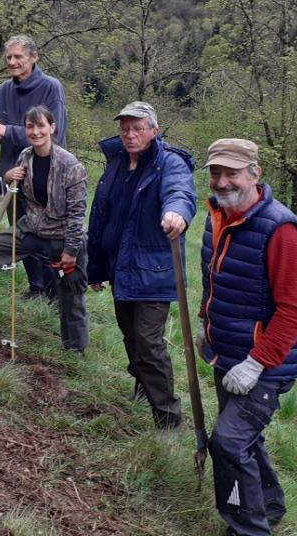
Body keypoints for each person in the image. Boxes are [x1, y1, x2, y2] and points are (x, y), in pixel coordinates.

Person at [199, 138, 297, 536]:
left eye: (232, 173)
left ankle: (248, 529)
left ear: (254, 174)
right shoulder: (218, 217)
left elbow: (295, 310)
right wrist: (205, 325)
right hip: (226, 353)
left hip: (265, 364)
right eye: (216, 172)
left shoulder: (280, 230)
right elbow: (217, 283)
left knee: (228, 443)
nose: (223, 181)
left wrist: (257, 362)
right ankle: (270, 504)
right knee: (243, 440)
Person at [85, 101, 196, 429]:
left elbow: (181, 193)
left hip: (154, 272)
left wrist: (176, 213)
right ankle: (145, 385)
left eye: (137, 128)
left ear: (154, 131)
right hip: (121, 267)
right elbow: (101, 217)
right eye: (124, 129)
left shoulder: (169, 164)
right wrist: (96, 269)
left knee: (148, 341)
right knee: (131, 337)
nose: (130, 135)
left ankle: (168, 419)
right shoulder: (117, 164)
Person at [0, 106, 89, 352]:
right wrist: (9, 175)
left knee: (70, 292)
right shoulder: (25, 155)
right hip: (31, 230)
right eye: (30, 127)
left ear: (52, 128)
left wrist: (71, 251)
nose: (35, 132)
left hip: (62, 237)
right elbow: (16, 186)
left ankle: (75, 349)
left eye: (41, 126)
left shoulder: (71, 165)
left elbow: (77, 214)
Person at [0, 35, 67, 300]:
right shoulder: (3, 90)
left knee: (45, 234)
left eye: (18, 56)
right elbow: (1, 130)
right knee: (20, 231)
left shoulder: (51, 87)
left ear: (33, 57)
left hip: (44, 172)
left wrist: (7, 131)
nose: (12, 62)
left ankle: (54, 293)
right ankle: (36, 287)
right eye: (9, 57)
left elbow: (55, 132)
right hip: (12, 171)